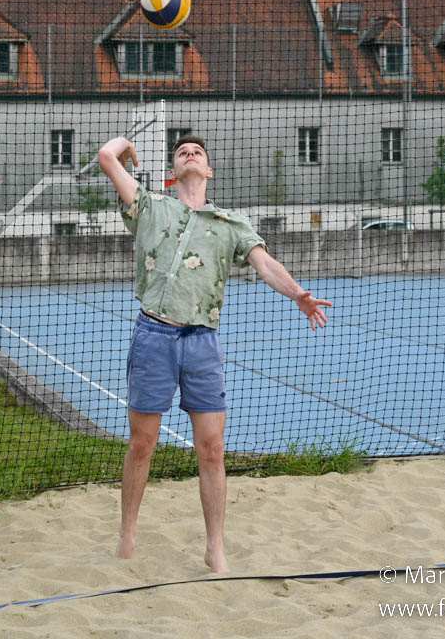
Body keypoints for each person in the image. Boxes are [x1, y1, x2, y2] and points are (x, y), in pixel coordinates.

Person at [97, 133, 331, 573]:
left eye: (198, 153)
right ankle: (127, 534)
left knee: (212, 448)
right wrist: (127, 144)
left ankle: (215, 547)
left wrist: (297, 293)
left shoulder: (230, 223)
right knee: (142, 443)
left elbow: (265, 264)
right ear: (172, 171)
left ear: (208, 170)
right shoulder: (150, 206)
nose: (190, 154)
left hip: (202, 342)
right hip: (153, 335)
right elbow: (106, 157)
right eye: (182, 152)